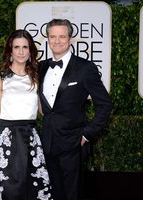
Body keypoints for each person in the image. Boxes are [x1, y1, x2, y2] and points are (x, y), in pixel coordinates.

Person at [39, 19, 113, 200]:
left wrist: (87, 134)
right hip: (47, 143)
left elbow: (105, 104)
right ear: (48, 39)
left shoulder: (85, 68)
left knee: (74, 195)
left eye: (62, 36)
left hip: (73, 144)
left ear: (70, 39)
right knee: (54, 194)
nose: (57, 41)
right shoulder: (40, 67)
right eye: (53, 36)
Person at [0, 29, 52, 200]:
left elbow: (43, 111)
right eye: (16, 47)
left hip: (31, 138)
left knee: (35, 191)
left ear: (30, 51)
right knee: (10, 192)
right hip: (8, 140)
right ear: (10, 51)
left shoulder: (36, 77)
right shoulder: (0, 78)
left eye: (25, 47)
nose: (21, 51)